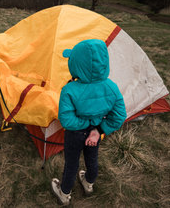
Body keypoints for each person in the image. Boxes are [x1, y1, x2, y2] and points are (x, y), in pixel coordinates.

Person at [51, 39, 127, 205]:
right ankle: (89, 184)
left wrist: (85, 127)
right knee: (92, 159)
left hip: (74, 134)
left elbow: (67, 120)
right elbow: (120, 116)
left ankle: (64, 194)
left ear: (76, 64)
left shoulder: (69, 89)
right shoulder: (112, 87)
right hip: (95, 132)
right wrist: (98, 130)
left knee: (71, 164)